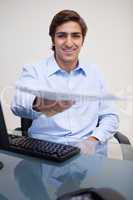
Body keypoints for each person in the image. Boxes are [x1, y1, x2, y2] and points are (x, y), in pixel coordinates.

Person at [11, 10, 119, 146]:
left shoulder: (94, 73)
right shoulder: (34, 70)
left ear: (82, 40)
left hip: (86, 151)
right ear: (53, 39)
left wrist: (94, 140)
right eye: (62, 36)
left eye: (75, 36)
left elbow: (110, 116)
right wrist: (43, 103)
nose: (69, 43)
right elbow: (17, 105)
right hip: (45, 149)